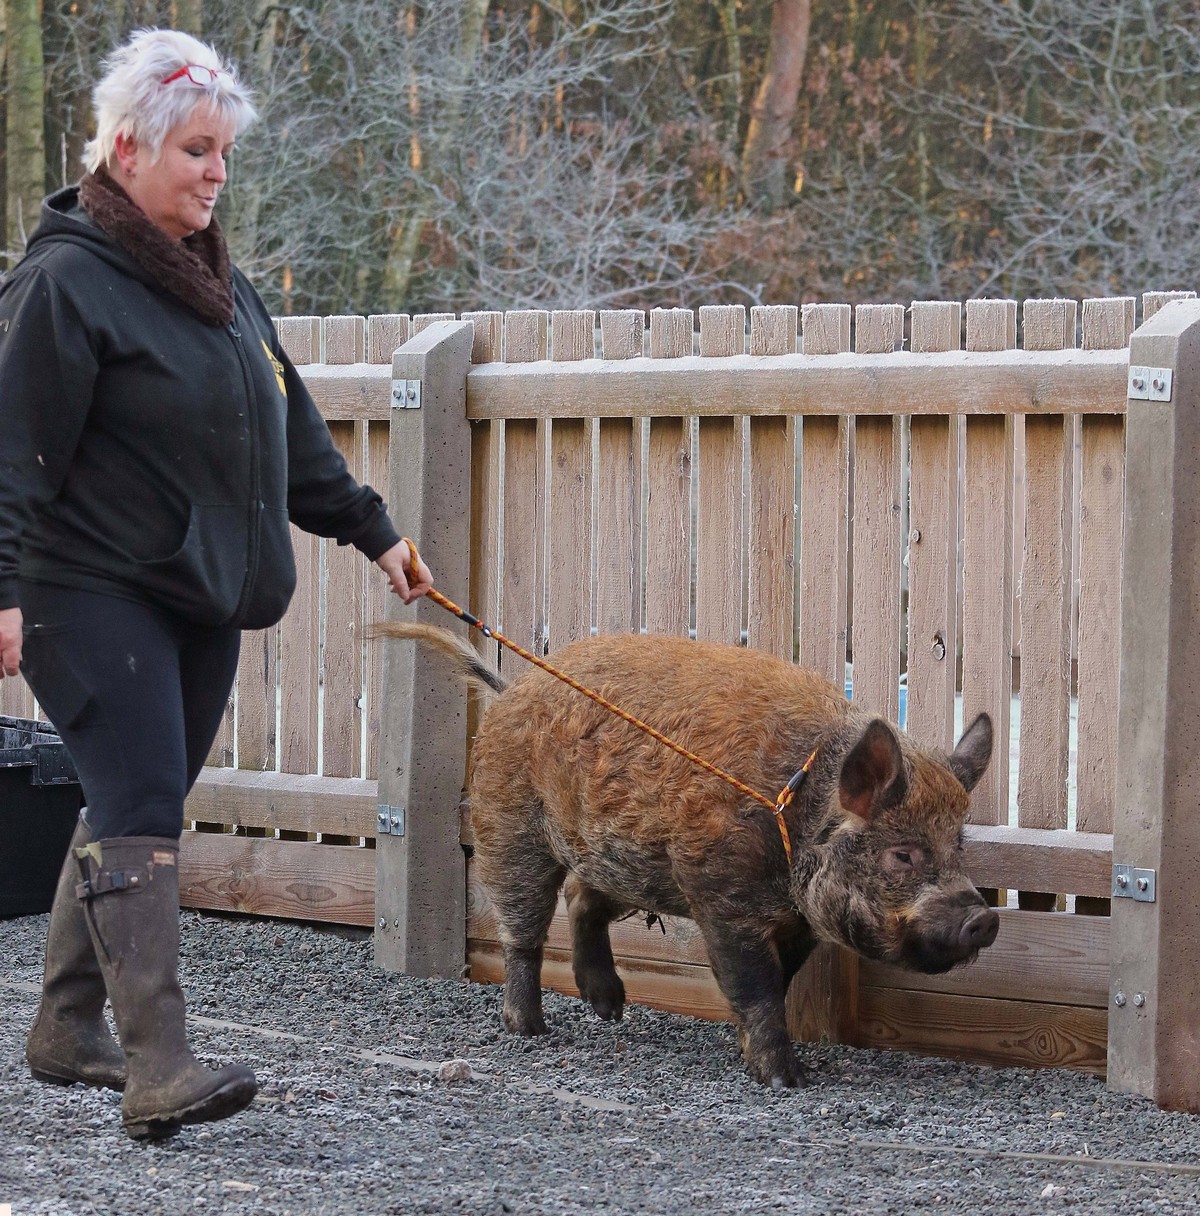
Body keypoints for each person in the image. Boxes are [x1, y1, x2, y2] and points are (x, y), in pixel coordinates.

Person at [0, 28, 433, 1142]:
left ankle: (63, 1025)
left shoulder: (219, 292)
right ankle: (160, 1068)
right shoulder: (62, 282)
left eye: (224, 153)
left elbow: (287, 434)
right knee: (141, 802)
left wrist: (373, 532)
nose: (215, 172)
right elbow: (14, 452)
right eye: (197, 149)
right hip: (83, 589)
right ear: (130, 148)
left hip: (196, 597)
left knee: (129, 799)